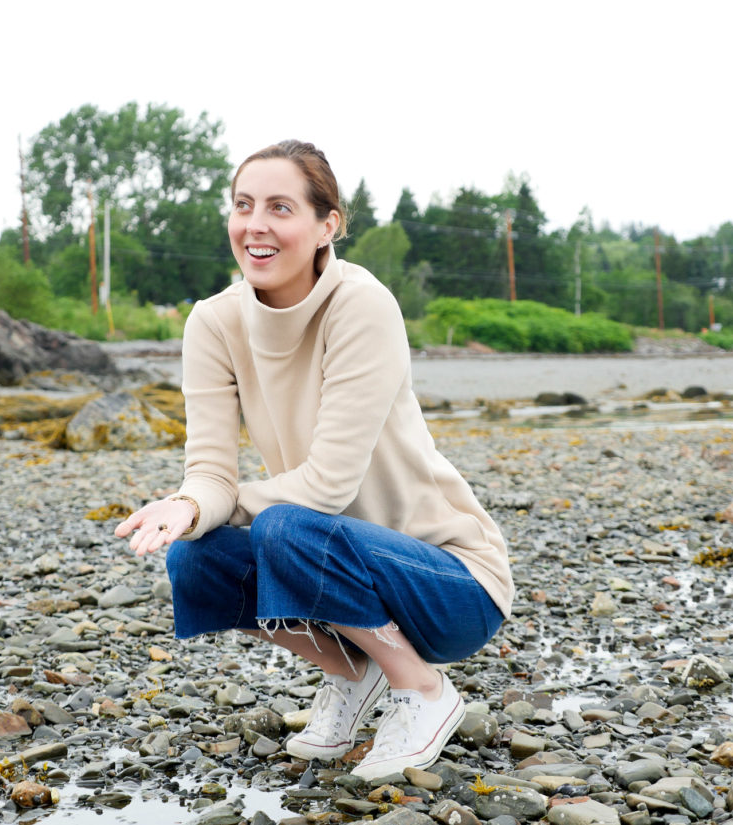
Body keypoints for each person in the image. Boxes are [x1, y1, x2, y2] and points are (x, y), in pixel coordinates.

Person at [115, 140, 513, 780]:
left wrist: (212, 504)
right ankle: (351, 673)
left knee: (283, 525)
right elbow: (212, 472)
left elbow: (327, 485)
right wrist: (190, 505)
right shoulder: (213, 323)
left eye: (280, 207)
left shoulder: (361, 304)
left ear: (327, 225)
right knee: (196, 553)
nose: (256, 225)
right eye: (244, 206)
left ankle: (423, 690)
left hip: (450, 586)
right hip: (332, 566)